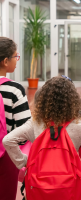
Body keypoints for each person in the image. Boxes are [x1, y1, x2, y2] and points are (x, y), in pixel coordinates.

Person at [3, 76, 81, 199]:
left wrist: (24, 162)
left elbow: (8, 140)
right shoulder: (80, 126)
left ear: (43, 100)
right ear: (73, 101)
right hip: (69, 186)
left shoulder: (35, 124)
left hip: (38, 184)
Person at [0, 37, 31, 200]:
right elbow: (25, 128)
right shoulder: (14, 89)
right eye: (15, 57)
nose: (17, 60)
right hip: (6, 157)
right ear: (6, 61)